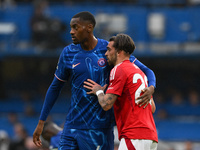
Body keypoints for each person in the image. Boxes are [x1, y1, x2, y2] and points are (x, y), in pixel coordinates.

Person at [33, 11, 156, 150]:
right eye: (71, 27)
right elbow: (55, 87)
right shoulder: (68, 53)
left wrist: (151, 87)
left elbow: (147, 71)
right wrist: (41, 121)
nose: (71, 32)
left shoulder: (109, 49)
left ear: (89, 28)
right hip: (72, 125)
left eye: (76, 27)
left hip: (99, 129)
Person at [84, 34, 158, 150]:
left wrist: (99, 92)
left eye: (109, 50)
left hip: (134, 135)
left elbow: (106, 104)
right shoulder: (140, 73)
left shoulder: (118, 69)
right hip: (150, 137)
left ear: (119, 52)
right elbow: (152, 108)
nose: (106, 54)